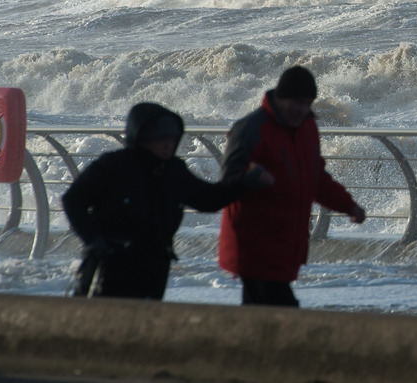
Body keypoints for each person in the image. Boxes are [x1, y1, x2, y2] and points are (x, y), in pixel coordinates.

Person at [62, 102, 273, 300]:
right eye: (160, 139)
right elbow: (73, 200)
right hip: (113, 262)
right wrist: (92, 238)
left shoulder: (174, 171)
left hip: (156, 265)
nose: (167, 145)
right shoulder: (113, 166)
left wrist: (245, 181)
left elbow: (208, 199)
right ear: (141, 137)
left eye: (172, 139)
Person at [218, 65, 366, 307]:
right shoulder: (251, 129)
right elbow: (227, 184)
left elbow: (316, 178)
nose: (302, 109)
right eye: (297, 102)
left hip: (285, 244)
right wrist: (253, 178)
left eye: (308, 103)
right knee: (281, 316)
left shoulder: (307, 127)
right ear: (280, 98)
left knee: (262, 321)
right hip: (254, 245)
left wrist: (349, 206)